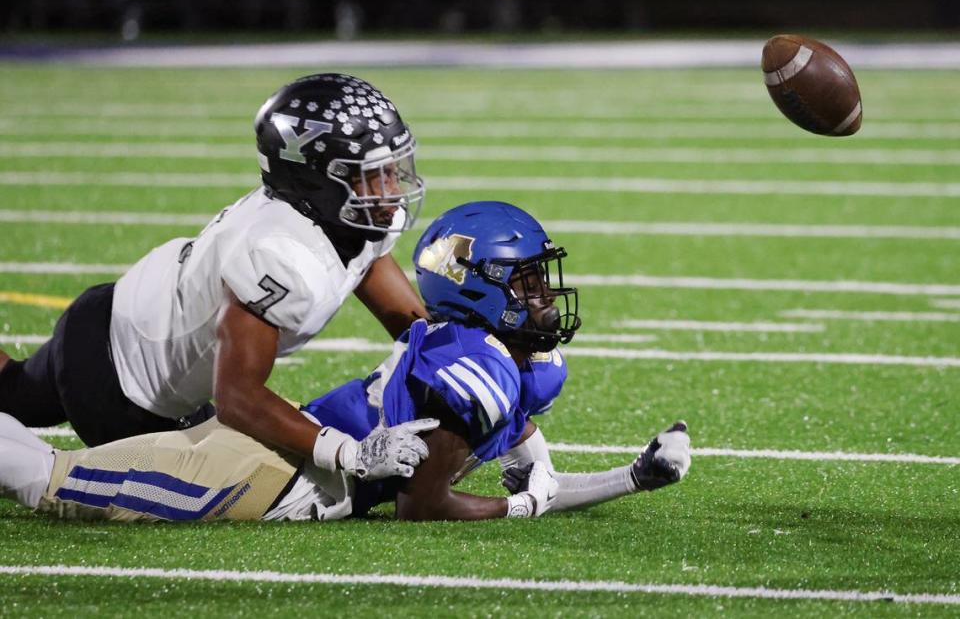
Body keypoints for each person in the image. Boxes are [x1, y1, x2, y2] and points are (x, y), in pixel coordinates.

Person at [0, 202, 691, 522]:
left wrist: (631, 478)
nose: (545, 297)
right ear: (483, 289)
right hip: (268, 478)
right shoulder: (476, 373)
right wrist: (516, 508)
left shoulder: (512, 367)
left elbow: (540, 479)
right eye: (528, 283)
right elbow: (427, 506)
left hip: (273, 453)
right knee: (50, 483)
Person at [0, 73, 434, 484]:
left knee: (13, 391)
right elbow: (239, 397)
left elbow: (417, 332)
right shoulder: (279, 253)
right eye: (372, 175)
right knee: (66, 478)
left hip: (124, 320)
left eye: (393, 169)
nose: (392, 188)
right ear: (317, 180)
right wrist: (350, 454)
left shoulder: (349, 221)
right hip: (118, 384)